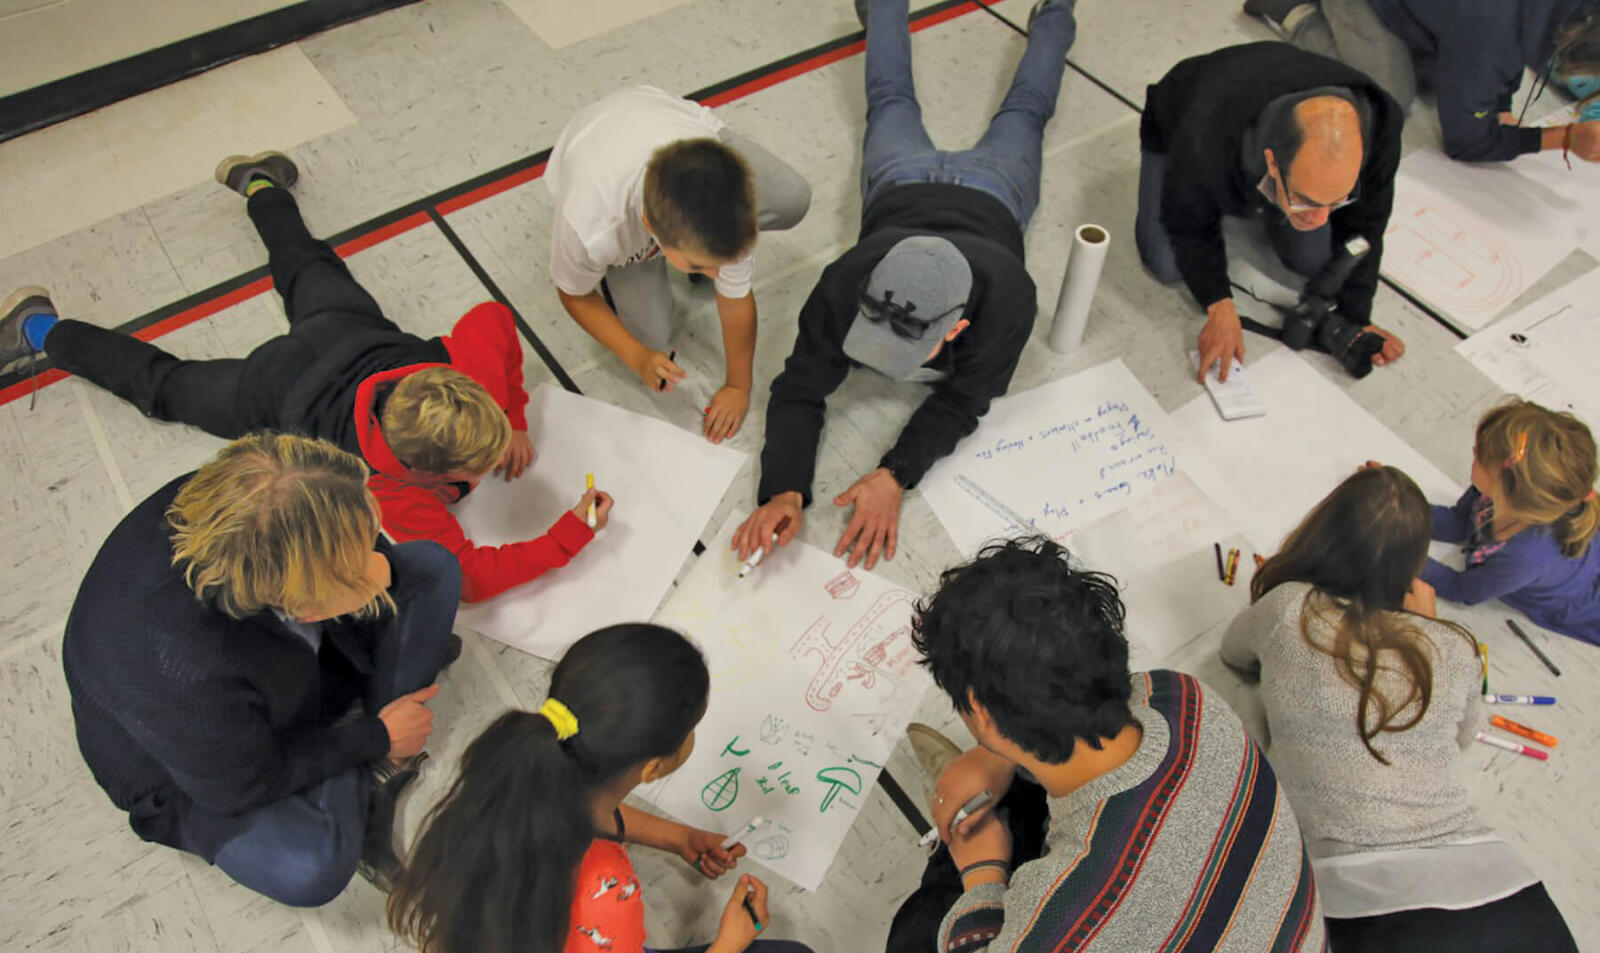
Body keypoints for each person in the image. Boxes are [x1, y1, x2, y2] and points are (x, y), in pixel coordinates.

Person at [0, 151, 613, 603]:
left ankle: (259, 182)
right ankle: (40, 332)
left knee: (302, 261)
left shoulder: (463, 376)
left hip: (345, 332)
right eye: (474, 469)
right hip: (271, 390)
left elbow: (492, 318)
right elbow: (470, 578)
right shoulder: (392, 488)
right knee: (166, 386)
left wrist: (508, 418)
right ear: (428, 475)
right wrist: (569, 531)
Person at [839, 538, 1326, 953]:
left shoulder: (1074, 928)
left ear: (977, 709)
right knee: (1017, 799)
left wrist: (981, 876)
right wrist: (997, 755)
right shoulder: (1183, 697)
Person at [1221, 465, 1600, 953]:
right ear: (1413, 567)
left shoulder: (1287, 608)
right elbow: (1466, 733)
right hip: (1505, 888)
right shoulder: (1447, 642)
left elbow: (1233, 655)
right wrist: (1424, 627)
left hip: (1388, 907)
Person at [388, 623, 824, 953]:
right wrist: (728, 946)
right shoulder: (606, 892)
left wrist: (678, 837)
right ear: (652, 768)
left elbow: (579, 809)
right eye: (691, 728)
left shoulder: (507, 773)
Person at [731, 0, 1067, 572]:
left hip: (996, 192)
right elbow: (798, 388)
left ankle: (1055, 11)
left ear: (959, 327)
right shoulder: (844, 281)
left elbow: (963, 402)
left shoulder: (1010, 300)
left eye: (907, 339)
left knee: (1011, 108)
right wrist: (782, 488)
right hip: (900, 181)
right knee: (908, 100)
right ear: (869, 287)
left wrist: (896, 474)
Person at [62, 432, 460, 906]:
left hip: (278, 671)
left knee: (434, 568)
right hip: (202, 767)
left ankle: (364, 762)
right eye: (353, 573)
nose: (374, 559)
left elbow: (347, 533)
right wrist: (374, 737)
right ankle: (367, 769)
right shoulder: (182, 671)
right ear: (304, 603)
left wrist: (378, 570)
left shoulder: (265, 499)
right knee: (311, 867)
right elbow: (244, 784)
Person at [546, 85, 812, 444]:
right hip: (588, 145)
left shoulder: (729, 207)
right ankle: (623, 270)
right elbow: (574, 295)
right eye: (702, 267)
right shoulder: (590, 229)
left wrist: (738, 385)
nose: (718, 278)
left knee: (791, 197)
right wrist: (637, 355)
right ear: (651, 229)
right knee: (651, 336)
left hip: (670, 120)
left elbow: (736, 301)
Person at [1138, 42, 1408, 383]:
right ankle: (1249, 200)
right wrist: (1219, 304)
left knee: (1314, 260)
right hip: (1177, 122)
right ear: (1271, 163)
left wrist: (1357, 316)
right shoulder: (1206, 133)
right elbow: (1187, 222)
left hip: (1267, 131)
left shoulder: (1382, 129)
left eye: (1337, 200)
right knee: (1168, 265)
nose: (1321, 218)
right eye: (1307, 199)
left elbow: (1367, 226)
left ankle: (1288, 199)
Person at [1244, 0, 1600, 164]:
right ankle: (1296, 11)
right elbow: (1466, 144)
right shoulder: (1492, 32)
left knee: (1448, 78)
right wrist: (1563, 138)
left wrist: (1500, 105)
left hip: (1452, 17)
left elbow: (1523, 33)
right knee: (1388, 98)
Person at [1422, 399, 1600, 643]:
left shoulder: (1524, 558)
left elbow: (1461, 589)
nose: (1473, 452)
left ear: (1508, 487)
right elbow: (1458, 523)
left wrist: (1404, 555)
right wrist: (1397, 505)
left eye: (1480, 456)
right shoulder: (1499, 492)